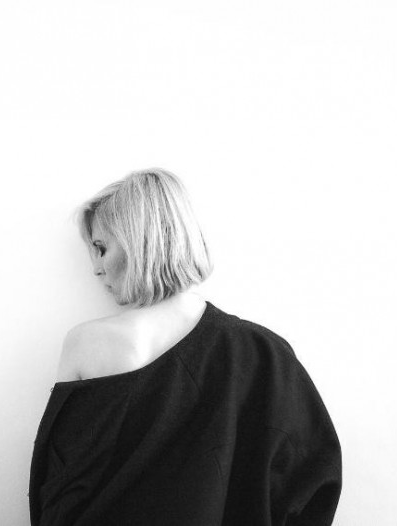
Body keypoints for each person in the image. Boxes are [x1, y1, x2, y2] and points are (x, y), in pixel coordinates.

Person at [28, 168, 342, 525]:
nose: (96, 269)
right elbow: (311, 479)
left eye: (101, 248)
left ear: (139, 242)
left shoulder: (87, 343)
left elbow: (59, 487)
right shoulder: (263, 353)